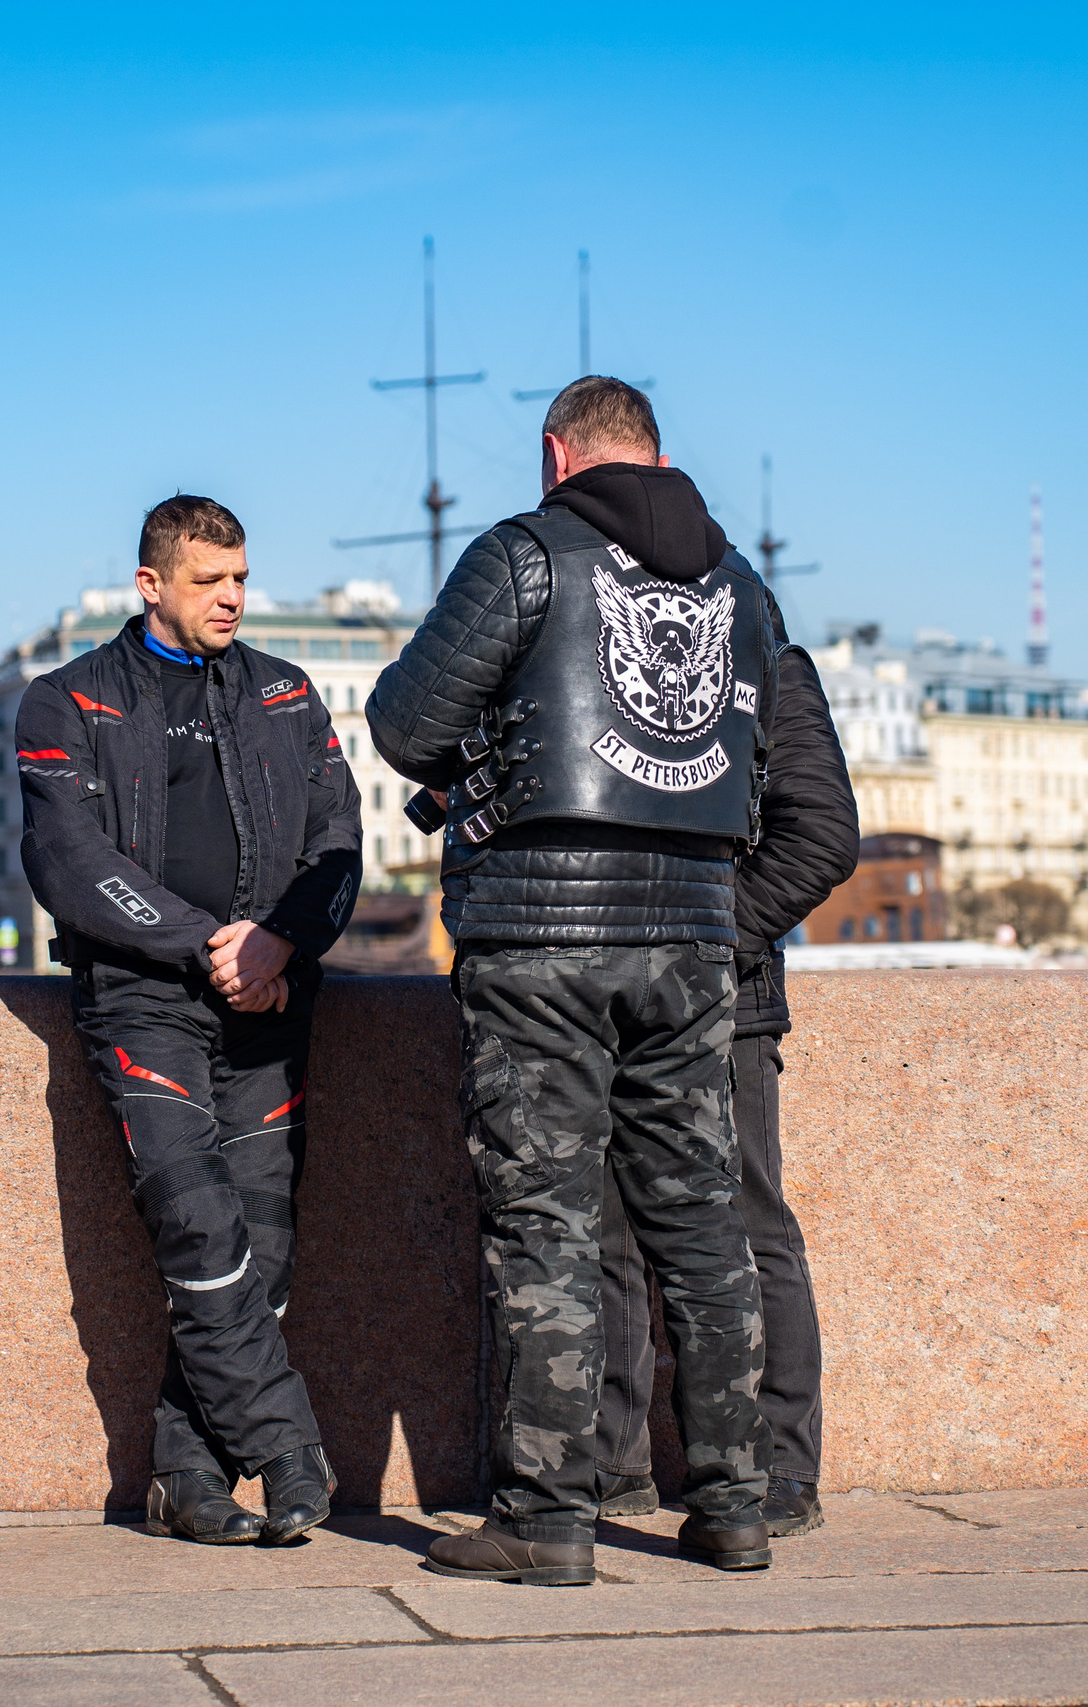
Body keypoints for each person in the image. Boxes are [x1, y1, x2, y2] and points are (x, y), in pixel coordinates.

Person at [367, 378, 777, 1586]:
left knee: (544, 1222)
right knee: (701, 1222)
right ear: (657, 454)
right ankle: (734, 1508)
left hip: (541, 936)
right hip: (691, 939)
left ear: (558, 454)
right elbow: (752, 757)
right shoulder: (740, 584)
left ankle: (547, 1519)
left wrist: (485, 746)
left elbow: (403, 726)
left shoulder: (524, 554)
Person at [15, 493, 363, 1547]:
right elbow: (68, 861)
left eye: (241, 577)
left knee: (261, 1246)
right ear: (150, 584)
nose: (232, 597)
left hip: (270, 1000)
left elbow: (338, 839)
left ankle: (185, 1475)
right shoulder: (66, 701)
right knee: (198, 1225)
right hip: (143, 1002)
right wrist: (209, 945)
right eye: (209, 580)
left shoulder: (285, 691)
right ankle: (288, 1449)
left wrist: (280, 943)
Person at [592, 607, 858, 1537]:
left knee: (748, 1220)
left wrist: (708, 944)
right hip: (606, 987)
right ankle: (611, 1467)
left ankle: (780, 1468)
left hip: (724, 999)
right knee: (607, 1230)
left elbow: (821, 835)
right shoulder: (595, 629)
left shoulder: (765, 649)